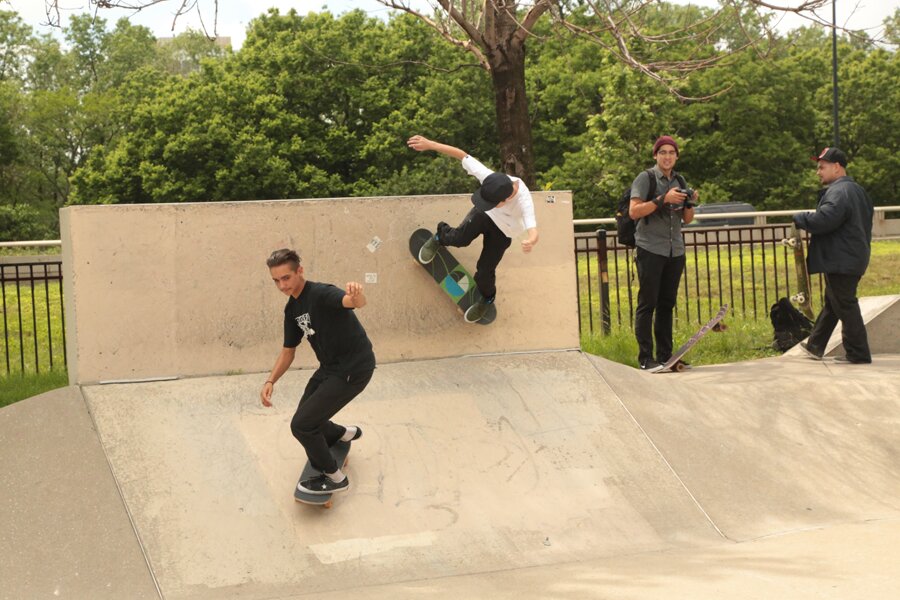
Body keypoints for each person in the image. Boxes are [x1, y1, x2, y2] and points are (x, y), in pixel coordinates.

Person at [260, 249, 376, 494]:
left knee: (302, 425)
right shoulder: (291, 310)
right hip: (330, 368)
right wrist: (271, 380)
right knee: (308, 415)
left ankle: (334, 478)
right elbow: (288, 351)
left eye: (286, 278)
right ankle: (343, 434)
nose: (282, 285)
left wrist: (358, 295)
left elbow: (352, 302)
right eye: (276, 281)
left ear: (299, 271)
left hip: (354, 368)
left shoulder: (321, 293)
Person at [406, 135, 539, 323]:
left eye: (491, 202)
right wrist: (431, 145)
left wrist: (531, 240)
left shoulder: (524, 201)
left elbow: (533, 227)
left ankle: (487, 299)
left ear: (506, 200)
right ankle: (439, 237)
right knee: (460, 238)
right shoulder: (491, 178)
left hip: (504, 232)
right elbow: (462, 155)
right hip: (486, 215)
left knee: (484, 271)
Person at [795, 147, 874, 364]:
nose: (818, 172)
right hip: (850, 257)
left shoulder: (839, 192)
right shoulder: (856, 190)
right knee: (833, 301)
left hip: (842, 259)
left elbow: (824, 221)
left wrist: (800, 218)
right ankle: (815, 346)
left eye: (822, 167)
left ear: (837, 167)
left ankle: (858, 354)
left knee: (845, 304)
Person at [628, 135, 698, 370]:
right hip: (650, 248)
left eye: (671, 153)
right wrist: (662, 199)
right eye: (663, 152)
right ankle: (646, 358)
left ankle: (666, 356)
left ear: (677, 156)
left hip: (674, 249)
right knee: (648, 304)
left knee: (667, 304)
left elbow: (687, 219)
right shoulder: (645, 178)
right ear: (655, 155)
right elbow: (634, 211)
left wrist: (690, 201)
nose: (667, 157)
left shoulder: (680, 179)